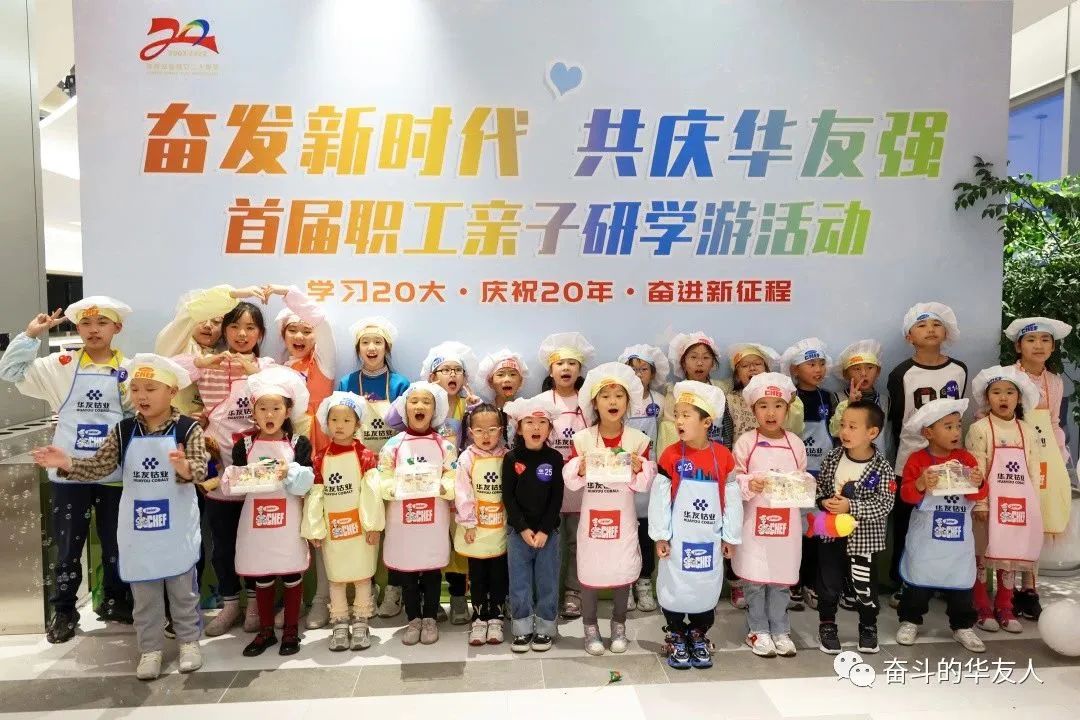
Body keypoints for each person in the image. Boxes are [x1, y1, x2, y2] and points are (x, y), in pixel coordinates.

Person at [32, 354, 208, 679]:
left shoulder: (188, 429)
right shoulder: (124, 431)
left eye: (150, 389)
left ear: (171, 392)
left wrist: (184, 467)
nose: (141, 396)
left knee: (183, 590)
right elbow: (100, 467)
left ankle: (188, 643)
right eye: (136, 389)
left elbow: (198, 470)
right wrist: (67, 462)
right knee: (145, 593)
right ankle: (150, 650)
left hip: (176, 528)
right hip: (138, 530)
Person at [0, 297, 134, 641]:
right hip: (68, 472)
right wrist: (31, 335)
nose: (93, 330)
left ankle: (115, 600)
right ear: (78, 328)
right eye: (86, 323)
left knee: (116, 543)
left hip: (114, 474)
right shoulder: (60, 365)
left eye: (102, 323)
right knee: (68, 546)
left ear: (117, 328)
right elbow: (9, 371)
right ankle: (63, 610)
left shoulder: (131, 370)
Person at [176, 301, 277, 636]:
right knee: (223, 544)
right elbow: (169, 370)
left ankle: (257, 604)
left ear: (261, 333)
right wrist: (202, 361)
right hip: (218, 469)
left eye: (250, 328)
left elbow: (288, 393)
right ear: (224, 331)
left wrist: (254, 372)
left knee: (258, 542)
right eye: (234, 327)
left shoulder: (268, 366)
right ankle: (230, 604)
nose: (241, 334)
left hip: (259, 472)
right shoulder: (210, 365)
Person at [563, 363, 657, 655]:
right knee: (590, 571)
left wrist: (641, 467)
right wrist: (579, 467)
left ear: (628, 401)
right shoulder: (582, 440)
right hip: (592, 518)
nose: (612, 402)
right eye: (605, 396)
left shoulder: (638, 440)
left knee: (622, 569)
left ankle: (619, 625)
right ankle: (590, 627)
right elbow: (571, 482)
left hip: (623, 518)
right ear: (594, 403)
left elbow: (643, 484)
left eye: (619, 396)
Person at [220, 366, 314, 656]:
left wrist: (290, 472)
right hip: (256, 522)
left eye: (276, 408)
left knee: (291, 574)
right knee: (261, 575)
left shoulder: (299, 444)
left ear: (288, 411)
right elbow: (234, 483)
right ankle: (265, 631)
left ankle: (291, 631)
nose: (269, 414)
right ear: (253, 411)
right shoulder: (244, 445)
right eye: (263, 408)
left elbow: (306, 485)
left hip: (288, 523)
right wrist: (237, 478)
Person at [650, 380, 742, 670]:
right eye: (677, 415)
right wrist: (660, 535)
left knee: (705, 588)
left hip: (709, 541)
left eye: (686, 415)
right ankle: (677, 633)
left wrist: (730, 537)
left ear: (706, 422)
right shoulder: (670, 456)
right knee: (674, 589)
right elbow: (660, 499)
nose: (679, 420)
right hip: (677, 540)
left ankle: (699, 633)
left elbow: (732, 500)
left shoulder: (723, 457)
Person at [886, 302, 967, 609]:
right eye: (921, 325)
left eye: (936, 324)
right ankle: (901, 581)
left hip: (949, 459)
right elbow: (897, 420)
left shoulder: (958, 370)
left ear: (946, 331)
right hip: (911, 458)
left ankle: (943, 581)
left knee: (946, 520)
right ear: (909, 337)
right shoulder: (901, 373)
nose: (930, 329)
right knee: (908, 523)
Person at [895, 398, 986, 653]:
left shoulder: (966, 459)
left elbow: (979, 494)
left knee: (961, 583)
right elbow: (906, 495)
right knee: (918, 582)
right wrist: (921, 483)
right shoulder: (917, 460)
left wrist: (979, 482)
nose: (956, 431)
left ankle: (962, 626)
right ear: (928, 433)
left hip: (958, 542)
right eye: (948, 426)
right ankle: (910, 620)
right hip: (927, 540)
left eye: (958, 425)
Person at [335, 316, 410, 620]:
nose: (371, 347)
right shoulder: (347, 383)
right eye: (365, 342)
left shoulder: (401, 383)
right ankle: (364, 586)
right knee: (365, 527)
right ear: (358, 348)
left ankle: (394, 588)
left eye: (378, 342)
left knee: (394, 529)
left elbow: (408, 426)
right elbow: (339, 425)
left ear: (386, 347)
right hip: (358, 466)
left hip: (392, 468)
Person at [376, 382, 458, 646]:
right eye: (414, 401)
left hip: (432, 522)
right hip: (403, 522)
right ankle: (413, 619)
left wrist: (443, 486)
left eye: (426, 402)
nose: (420, 406)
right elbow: (383, 476)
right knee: (408, 572)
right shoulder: (393, 445)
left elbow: (453, 475)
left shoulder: (444, 446)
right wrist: (392, 488)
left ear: (435, 410)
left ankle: (430, 618)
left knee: (432, 570)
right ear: (405, 408)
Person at [1003, 317, 1074, 620]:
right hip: (1012, 457)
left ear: (1053, 347)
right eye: (1031, 340)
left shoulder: (1055, 382)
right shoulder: (1006, 377)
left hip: (1045, 458)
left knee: (1037, 520)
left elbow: (1055, 423)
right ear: (1018, 346)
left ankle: (1029, 589)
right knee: (1012, 519)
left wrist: (1059, 456)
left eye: (1046, 340)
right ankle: (1005, 590)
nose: (1039, 345)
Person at [731, 372, 806, 658]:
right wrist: (750, 484)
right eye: (763, 406)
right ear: (753, 410)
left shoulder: (795, 444)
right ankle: (758, 629)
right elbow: (733, 480)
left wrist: (799, 485)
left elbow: (801, 480)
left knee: (780, 579)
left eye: (777, 406)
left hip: (786, 526)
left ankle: (781, 629)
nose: (770, 413)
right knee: (755, 579)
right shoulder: (746, 442)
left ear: (787, 409)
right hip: (754, 524)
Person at [301, 392, 383, 651]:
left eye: (347, 420)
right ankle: (339, 621)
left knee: (362, 576)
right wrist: (315, 528)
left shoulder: (365, 455)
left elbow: (371, 492)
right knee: (335, 577)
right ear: (326, 423)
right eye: (334, 420)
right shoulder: (319, 458)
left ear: (357, 424)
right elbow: (316, 495)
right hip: (333, 531)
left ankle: (361, 621)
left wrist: (373, 526)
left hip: (360, 530)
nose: (340, 425)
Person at [966, 365, 1043, 633]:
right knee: (982, 554)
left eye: (1010, 392)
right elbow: (975, 469)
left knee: (1010, 556)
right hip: (987, 506)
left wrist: (1033, 507)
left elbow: (1033, 472)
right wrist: (981, 503)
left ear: (1019, 398)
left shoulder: (1027, 431)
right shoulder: (980, 429)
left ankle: (1005, 606)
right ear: (986, 397)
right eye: (996, 392)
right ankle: (981, 605)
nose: (1003, 397)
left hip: (1018, 506)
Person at [815, 400, 896, 655]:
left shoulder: (881, 467)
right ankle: (827, 625)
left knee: (864, 585)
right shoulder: (833, 457)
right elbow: (821, 487)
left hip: (864, 540)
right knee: (827, 583)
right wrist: (823, 501)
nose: (844, 432)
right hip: (831, 533)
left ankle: (868, 626)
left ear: (872, 432)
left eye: (852, 427)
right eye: (843, 425)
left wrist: (851, 506)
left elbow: (885, 504)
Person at [532, 332, 594, 620]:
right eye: (560, 363)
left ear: (580, 370)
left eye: (572, 363)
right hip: (548, 482)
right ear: (550, 370)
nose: (566, 368)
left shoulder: (590, 401)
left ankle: (573, 592)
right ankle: (548, 593)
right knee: (550, 541)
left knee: (578, 541)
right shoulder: (540, 401)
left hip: (582, 483)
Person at [502, 395, 564, 652]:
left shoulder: (555, 458)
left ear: (549, 428)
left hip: (548, 533)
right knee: (519, 582)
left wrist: (544, 530)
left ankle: (546, 628)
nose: (535, 427)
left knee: (547, 581)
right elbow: (508, 497)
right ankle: (521, 628)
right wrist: (523, 528)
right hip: (518, 534)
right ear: (519, 428)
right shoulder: (511, 458)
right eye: (529, 422)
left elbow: (556, 498)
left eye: (542, 423)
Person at [781, 338, 838, 612]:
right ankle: (793, 582)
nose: (818, 369)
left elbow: (836, 432)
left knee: (818, 531)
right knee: (795, 531)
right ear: (795, 369)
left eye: (821, 363)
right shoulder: (789, 399)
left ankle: (812, 584)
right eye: (811, 364)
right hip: (797, 474)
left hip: (823, 474)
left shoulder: (829, 397)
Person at [618, 343, 671, 612]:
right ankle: (625, 584)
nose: (638, 375)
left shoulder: (660, 402)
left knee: (647, 533)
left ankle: (644, 583)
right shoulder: (619, 400)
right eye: (633, 370)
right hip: (621, 476)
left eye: (643, 369)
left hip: (651, 477)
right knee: (625, 533)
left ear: (654, 373)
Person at [454, 403, 511, 645]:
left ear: (501, 430)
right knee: (477, 575)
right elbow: (463, 491)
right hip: (475, 529)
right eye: (479, 431)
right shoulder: (466, 458)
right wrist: (468, 523)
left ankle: (496, 616)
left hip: (500, 528)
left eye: (492, 430)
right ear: (470, 432)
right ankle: (479, 616)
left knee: (499, 574)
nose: (486, 436)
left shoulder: (507, 456)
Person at [657, 332, 726, 454]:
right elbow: (668, 431)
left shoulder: (721, 389)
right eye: (693, 357)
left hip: (715, 453)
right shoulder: (674, 393)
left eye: (706, 358)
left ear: (712, 363)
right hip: (684, 457)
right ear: (683, 363)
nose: (699, 363)